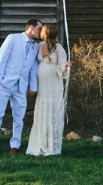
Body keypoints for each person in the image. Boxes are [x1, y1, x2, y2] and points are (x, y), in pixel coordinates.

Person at [0, 19, 42, 155]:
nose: (40, 32)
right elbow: (2, 58)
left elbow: (33, 67)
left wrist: (33, 87)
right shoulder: (13, 38)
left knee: (19, 117)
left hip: (21, 87)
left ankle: (15, 146)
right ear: (31, 27)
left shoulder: (36, 47)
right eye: (39, 29)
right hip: (5, 84)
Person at [26, 24, 71, 156]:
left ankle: (52, 144)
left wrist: (66, 66)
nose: (40, 32)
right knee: (42, 110)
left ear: (46, 33)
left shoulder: (59, 48)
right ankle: (41, 143)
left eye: (42, 31)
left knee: (52, 110)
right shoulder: (39, 46)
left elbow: (62, 64)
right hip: (42, 86)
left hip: (53, 85)